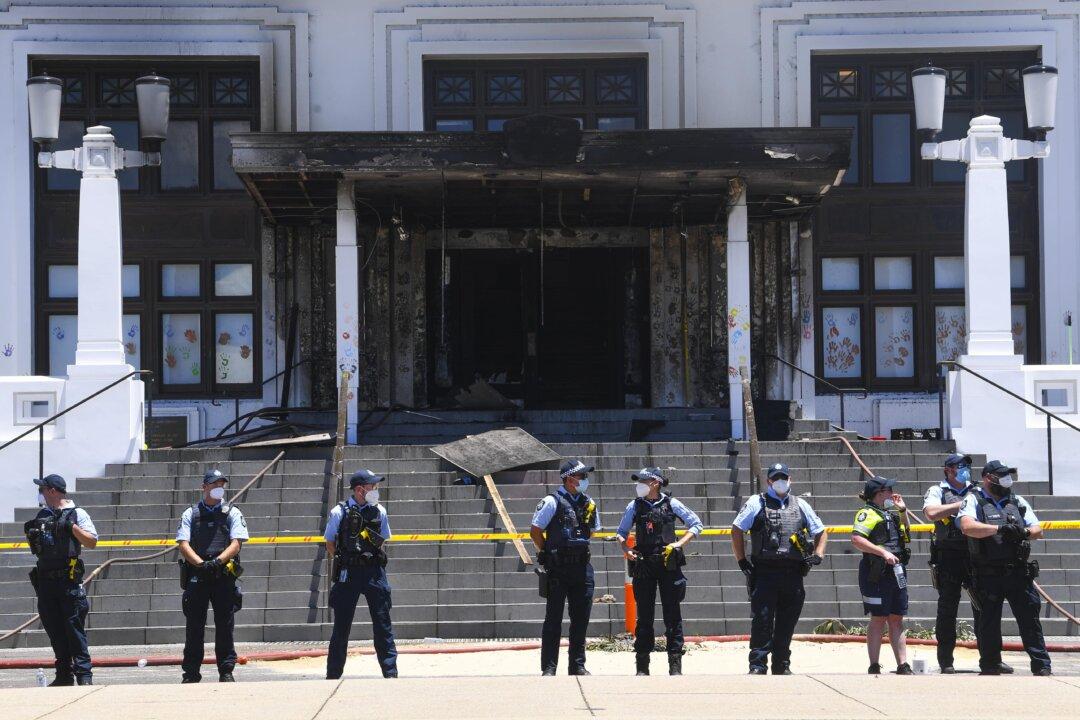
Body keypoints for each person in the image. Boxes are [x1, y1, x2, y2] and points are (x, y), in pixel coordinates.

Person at [958, 460, 1052, 676]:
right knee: (988, 622)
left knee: (1030, 620)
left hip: (1018, 572)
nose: (1006, 480)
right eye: (1000, 476)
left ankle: (1041, 665)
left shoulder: (1016, 500)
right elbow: (967, 526)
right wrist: (999, 529)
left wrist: (1023, 532)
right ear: (987, 478)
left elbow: (1038, 530)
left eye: (1007, 475)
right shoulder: (974, 499)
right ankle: (990, 664)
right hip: (988, 573)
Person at [731, 463, 827, 675]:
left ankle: (782, 664)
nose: (780, 481)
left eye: (784, 477)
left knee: (787, 621)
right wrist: (741, 560)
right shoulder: (756, 502)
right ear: (769, 481)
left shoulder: (801, 504)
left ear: (790, 479)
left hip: (793, 572)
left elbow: (821, 531)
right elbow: (736, 529)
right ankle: (757, 664)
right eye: (776, 478)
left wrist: (818, 554)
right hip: (765, 572)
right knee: (762, 619)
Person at [616, 467, 704, 676]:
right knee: (644, 616)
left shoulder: (672, 503)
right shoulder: (634, 506)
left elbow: (696, 524)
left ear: (655, 483)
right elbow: (621, 532)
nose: (639, 485)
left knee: (672, 615)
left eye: (643, 481)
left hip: (668, 563)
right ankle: (642, 665)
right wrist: (626, 548)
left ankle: (675, 664)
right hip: (644, 564)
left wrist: (679, 544)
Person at [23, 474, 98, 686]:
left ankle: (84, 676)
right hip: (46, 583)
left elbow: (92, 541)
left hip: (68, 582)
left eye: (43, 489)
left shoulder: (77, 513)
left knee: (74, 631)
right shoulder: (43, 515)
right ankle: (64, 675)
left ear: (52, 491)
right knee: (55, 631)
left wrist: (71, 527)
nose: (41, 493)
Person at [176, 469, 249, 683]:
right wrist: (201, 564)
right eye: (215, 484)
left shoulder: (232, 512)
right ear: (204, 487)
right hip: (198, 574)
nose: (219, 488)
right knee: (194, 627)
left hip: (222, 574)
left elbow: (236, 543)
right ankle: (191, 673)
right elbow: (183, 544)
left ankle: (226, 671)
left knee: (225, 626)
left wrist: (217, 562)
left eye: (221, 484)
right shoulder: (190, 513)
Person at [324, 469, 398, 679]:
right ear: (359, 490)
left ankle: (390, 673)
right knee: (341, 627)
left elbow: (382, 539)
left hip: (374, 572)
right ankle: (333, 675)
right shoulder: (339, 512)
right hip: (349, 573)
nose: (375, 490)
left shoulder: (379, 511)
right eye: (372, 487)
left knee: (383, 625)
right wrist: (347, 559)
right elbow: (330, 543)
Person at [530, 459, 601, 676]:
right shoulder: (551, 501)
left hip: (582, 568)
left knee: (581, 619)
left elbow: (592, 532)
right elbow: (535, 530)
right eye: (582, 476)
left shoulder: (588, 502)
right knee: (553, 619)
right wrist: (546, 551)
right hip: (558, 568)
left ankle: (577, 665)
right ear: (569, 479)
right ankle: (549, 667)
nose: (585, 480)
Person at [922, 452, 988, 674]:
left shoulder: (977, 489)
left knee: (984, 607)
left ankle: (990, 659)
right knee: (947, 608)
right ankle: (946, 661)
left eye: (966, 466)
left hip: (975, 554)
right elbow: (931, 513)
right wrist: (963, 505)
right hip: (948, 555)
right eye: (960, 466)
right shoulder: (938, 490)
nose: (964, 470)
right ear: (948, 470)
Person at [851, 475, 912, 675]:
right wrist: (883, 553)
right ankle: (874, 664)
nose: (892, 494)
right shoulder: (867, 513)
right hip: (876, 573)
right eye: (889, 490)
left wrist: (903, 511)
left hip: (896, 572)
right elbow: (857, 539)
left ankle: (903, 664)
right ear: (879, 494)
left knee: (896, 617)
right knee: (878, 617)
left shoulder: (890, 514)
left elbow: (906, 534)